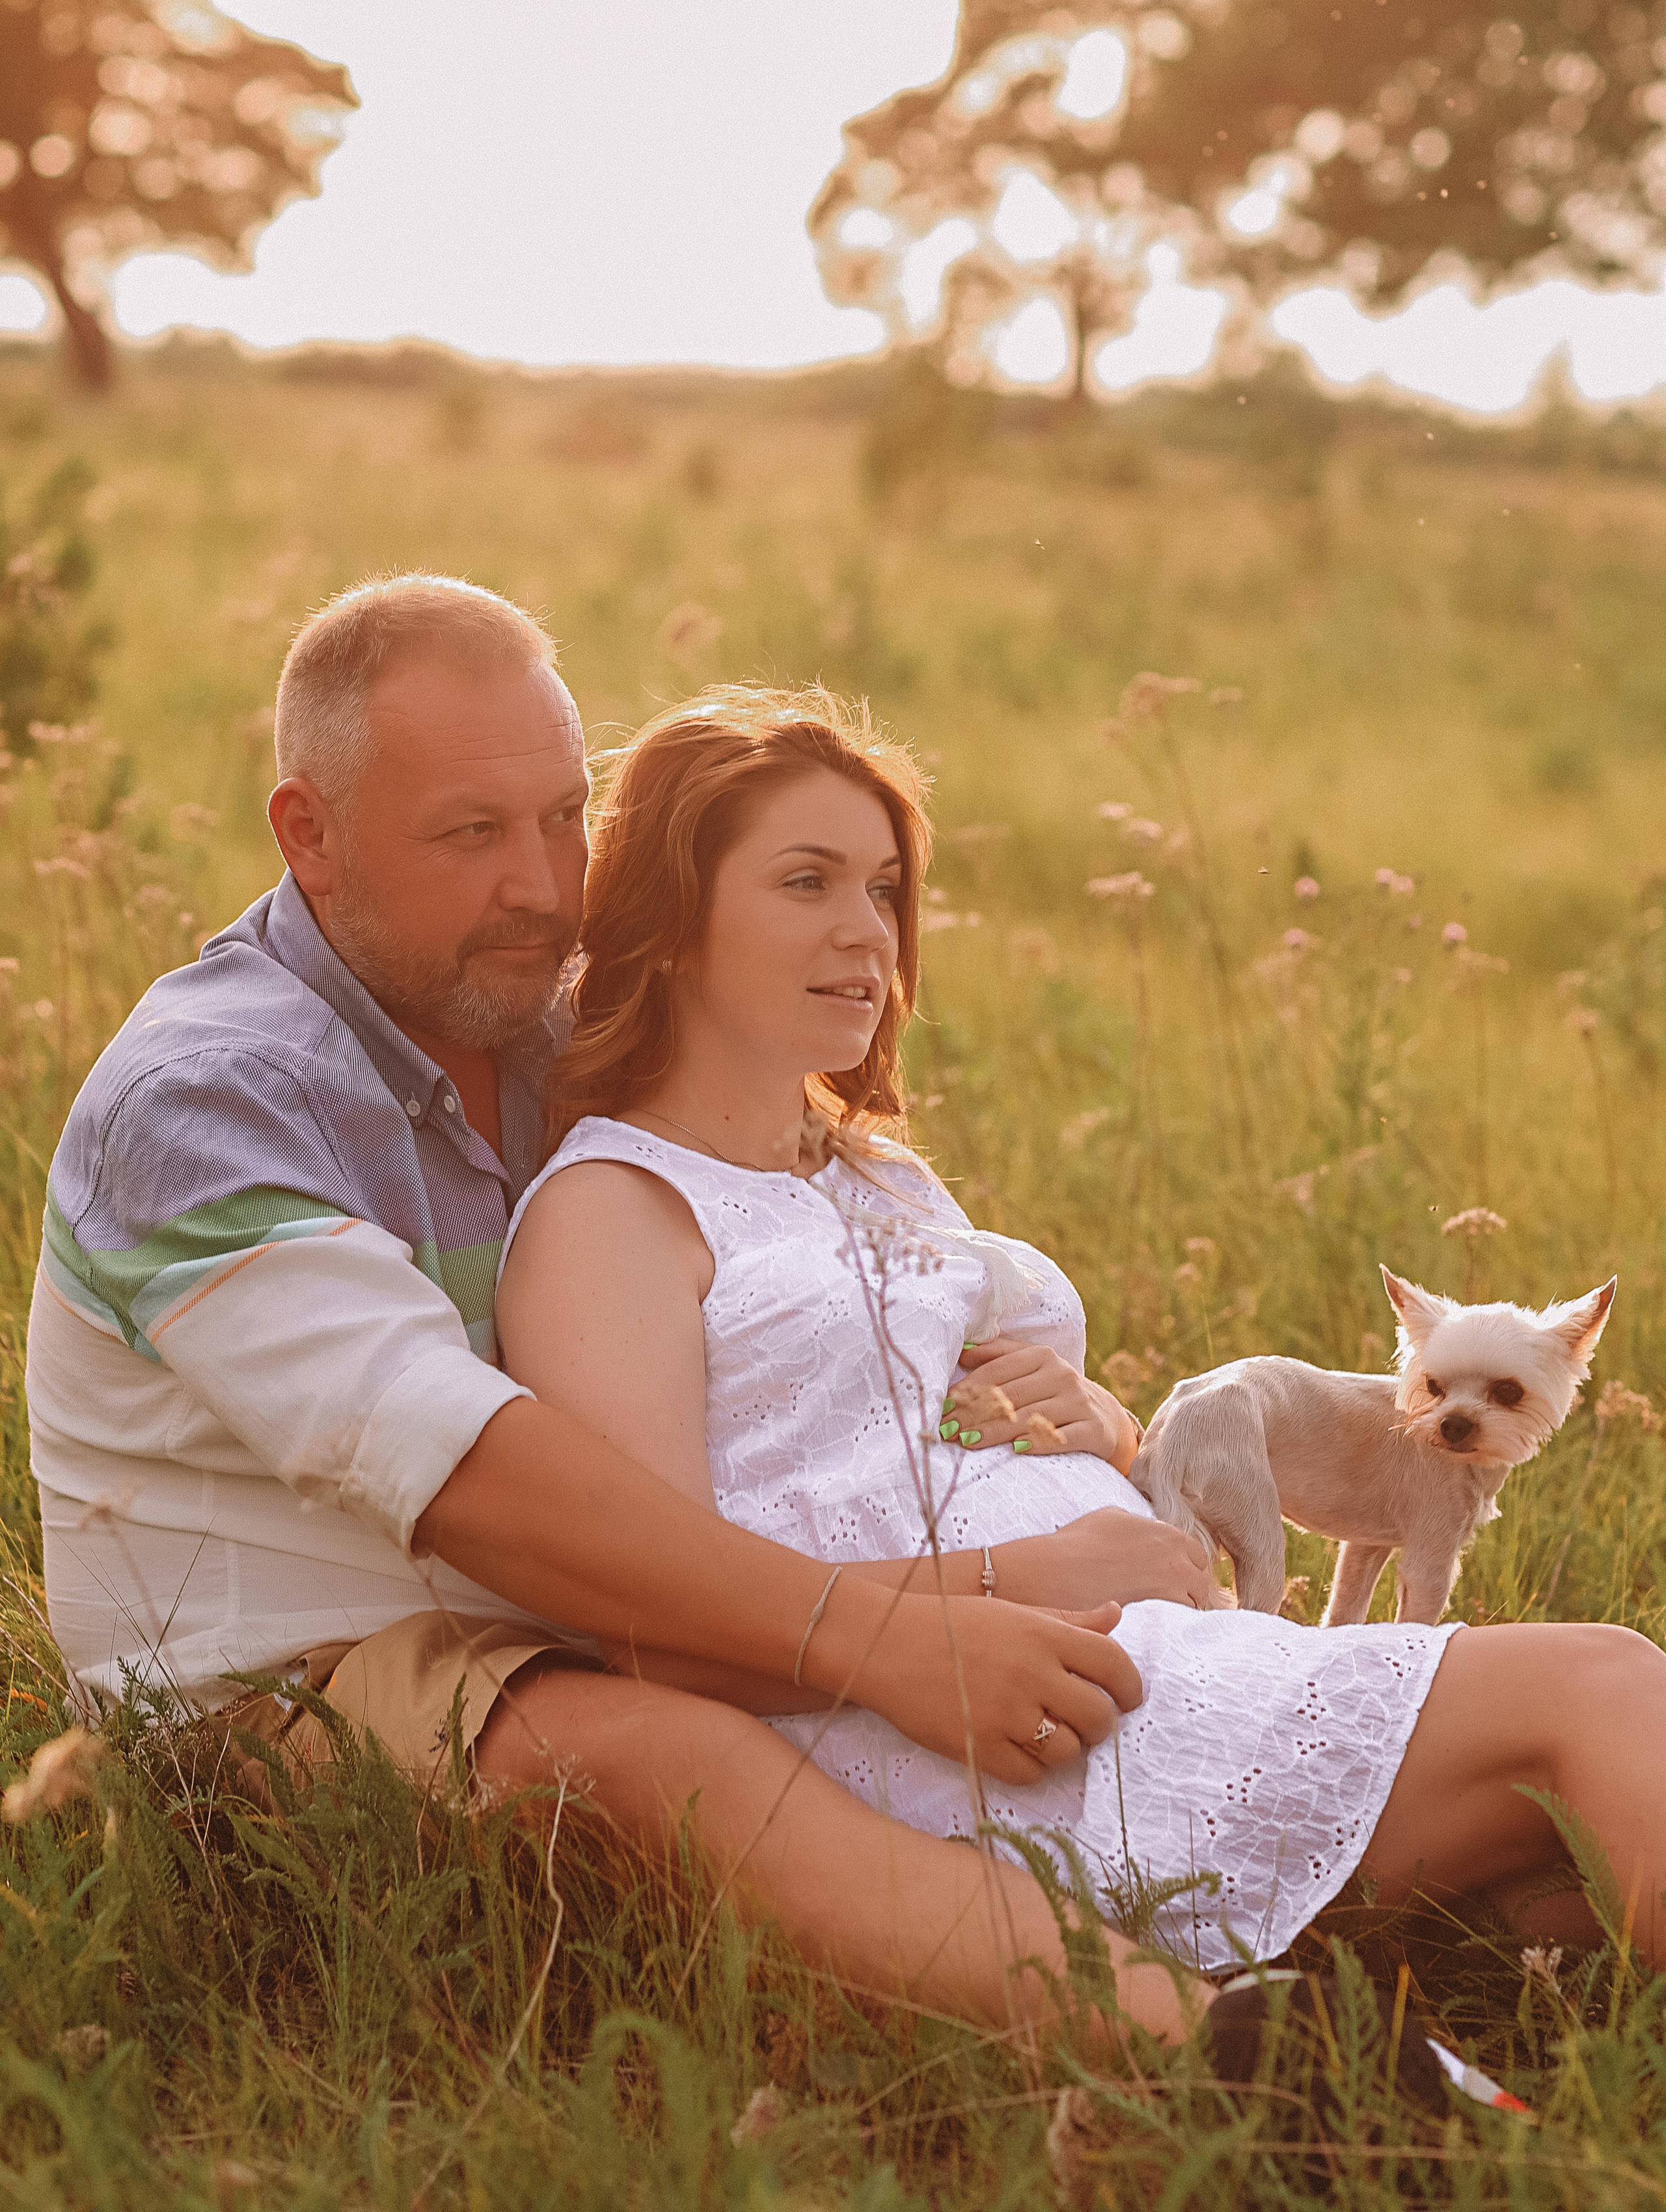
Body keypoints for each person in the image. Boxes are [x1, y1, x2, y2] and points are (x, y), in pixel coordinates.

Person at [25, 573, 1216, 2049]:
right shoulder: (204, 1103)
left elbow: (827, 1259)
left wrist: (1057, 1401)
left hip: (636, 1590)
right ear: (307, 835)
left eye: (559, 818)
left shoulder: (539, 1005)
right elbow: (467, 1474)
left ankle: (1380, 1896)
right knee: (672, 1756)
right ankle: (1227, 2052)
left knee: (1109, 1675)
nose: (541, 884)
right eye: (470, 834)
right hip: (315, 1682)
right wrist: (894, 1630)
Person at [497, 682, 1666, 1976]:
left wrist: (1106, 1429)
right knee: (1604, 1686)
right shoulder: (613, 1214)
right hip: (988, 1725)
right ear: (666, 923)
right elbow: (653, 1623)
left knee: (1568, 1856)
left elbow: (961, 1427)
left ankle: (1442, 1993)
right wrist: (1028, 1580)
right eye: (805, 883)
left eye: (883, 889)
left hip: (1146, 1644)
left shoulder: (870, 1174)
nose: (864, 934)